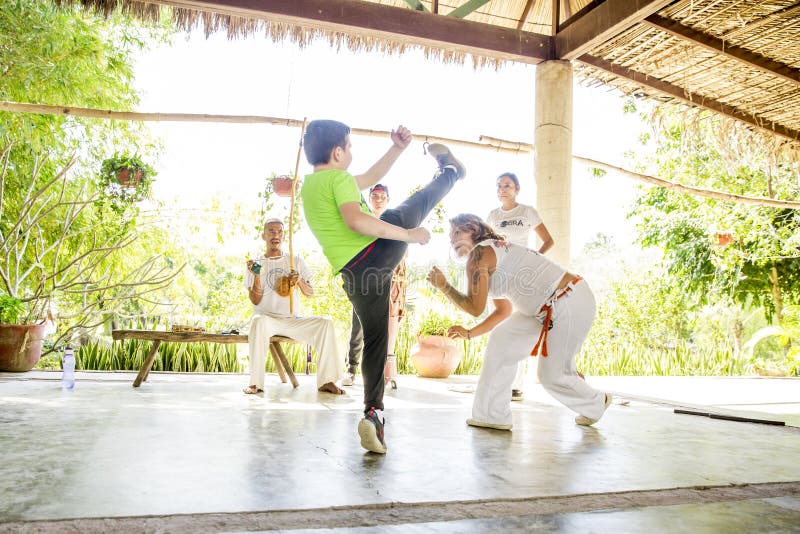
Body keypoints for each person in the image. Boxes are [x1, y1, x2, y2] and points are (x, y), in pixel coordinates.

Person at [300, 119, 465, 454]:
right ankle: (451, 172)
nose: (351, 152)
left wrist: (397, 148)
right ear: (337, 151)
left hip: (354, 275)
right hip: (375, 252)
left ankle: (373, 414)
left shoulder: (313, 185)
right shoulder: (340, 180)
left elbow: (369, 179)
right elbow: (357, 220)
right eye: (349, 146)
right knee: (407, 211)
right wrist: (409, 236)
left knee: (376, 340)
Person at [427, 214, 610, 431]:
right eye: (450, 236)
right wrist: (468, 333)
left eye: (457, 232)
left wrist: (444, 286)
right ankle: (492, 415)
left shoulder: (480, 253)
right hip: (543, 310)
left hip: (569, 300)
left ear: (474, 229)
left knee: (551, 376)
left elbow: (475, 308)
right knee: (502, 340)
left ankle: (597, 402)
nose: (452, 239)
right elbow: (502, 311)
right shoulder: (493, 252)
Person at [243, 219, 344, 396]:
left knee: (325, 323)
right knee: (258, 321)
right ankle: (255, 383)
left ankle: (326, 381)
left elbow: (310, 293)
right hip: (267, 320)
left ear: (283, 236)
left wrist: (299, 281)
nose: (276, 235)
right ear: (264, 236)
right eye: (271, 231)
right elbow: (255, 301)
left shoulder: (295, 260)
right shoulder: (257, 263)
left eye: (279, 232)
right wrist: (257, 276)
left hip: (291, 320)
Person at [486, 172, 554, 402]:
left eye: (507, 185)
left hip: (523, 275)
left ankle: (516, 385)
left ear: (517, 189)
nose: (502, 189)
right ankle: (500, 381)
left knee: (519, 325)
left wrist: (532, 259)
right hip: (500, 274)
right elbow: (487, 244)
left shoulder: (527, 212)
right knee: (501, 325)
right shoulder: (493, 216)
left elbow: (548, 241)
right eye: (499, 186)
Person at [344, 183, 407, 387]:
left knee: (387, 325)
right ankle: (351, 369)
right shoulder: (363, 218)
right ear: (370, 198)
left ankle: (386, 373)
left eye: (382, 196)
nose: (378, 198)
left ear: (388, 199)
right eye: (375, 195)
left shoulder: (394, 220)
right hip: (365, 276)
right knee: (358, 324)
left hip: (390, 277)